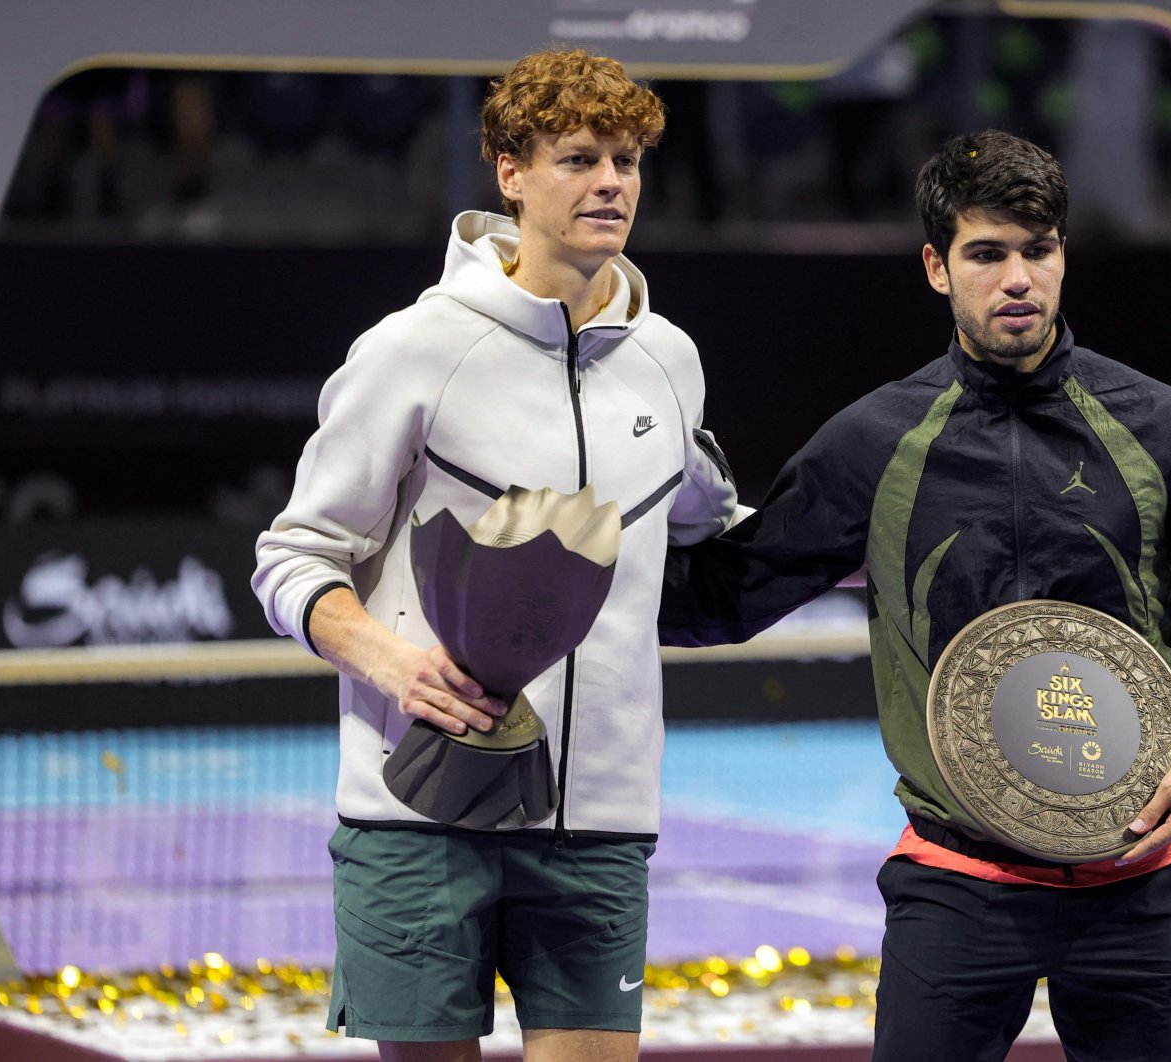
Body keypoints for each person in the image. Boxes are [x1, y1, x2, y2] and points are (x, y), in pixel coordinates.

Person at [659, 129, 1171, 1062]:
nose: (1017, 280)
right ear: (935, 265)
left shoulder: (1162, 428)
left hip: (1144, 886)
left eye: (1037, 251)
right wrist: (585, 543)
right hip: (958, 886)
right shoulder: (874, 442)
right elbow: (722, 596)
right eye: (987, 254)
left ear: (1063, 256)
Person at [253, 48, 739, 1062]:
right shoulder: (413, 349)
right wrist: (390, 662)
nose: (610, 182)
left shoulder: (672, 360)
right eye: (577, 158)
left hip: (601, 820)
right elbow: (294, 556)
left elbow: (709, 528)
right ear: (510, 173)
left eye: (627, 160)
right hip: (417, 809)